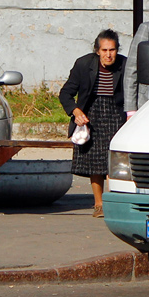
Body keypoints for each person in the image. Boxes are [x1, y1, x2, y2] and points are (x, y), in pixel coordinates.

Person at [59, 29, 127, 218]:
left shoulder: (125, 65)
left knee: (114, 160)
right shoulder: (84, 64)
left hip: (116, 113)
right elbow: (66, 93)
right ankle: (99, 204)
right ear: (97, 50)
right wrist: (75, 111)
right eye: (104, 50)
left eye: (112, 50)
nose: (108, 55)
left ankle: (114, 202)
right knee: (96, 161)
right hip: (92, 113)